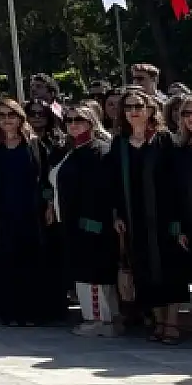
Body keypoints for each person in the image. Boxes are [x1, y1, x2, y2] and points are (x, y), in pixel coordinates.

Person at [108, 89, 186, 343]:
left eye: (139, 106)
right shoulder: (120, 143)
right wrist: (117, 213)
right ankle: (158, 320)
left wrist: (178, 220)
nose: (134, 111)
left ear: (150, 109)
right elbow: (115, 184)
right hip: (134, 216)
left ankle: (172, 323)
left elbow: (177, 182)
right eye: (128, 107)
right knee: (143, 268)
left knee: (169, 269)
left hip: (165, 217)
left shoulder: (164, 140)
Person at [0, 98, 58, 327]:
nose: (6, 120)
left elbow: (45, 178)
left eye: (10, 115)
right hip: (1, 211)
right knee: (5, 260)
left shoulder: (34, 144)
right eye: (1, 116)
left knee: (30, 260)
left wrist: (49, 204)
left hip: (30, 210)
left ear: (19, 117)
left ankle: (31, 311)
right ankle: (10, 312)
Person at [56, 103, 119, 335]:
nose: (73, 125)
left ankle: (101, 321)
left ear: (92, 122)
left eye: (79, 120)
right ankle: (96, 318)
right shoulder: (74, 150)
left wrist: (93, 220)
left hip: (92, 224)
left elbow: (102, 190)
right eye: (69, 120)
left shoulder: (99, 150)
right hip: (73, 223)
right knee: (83, 274)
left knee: (93, 275)